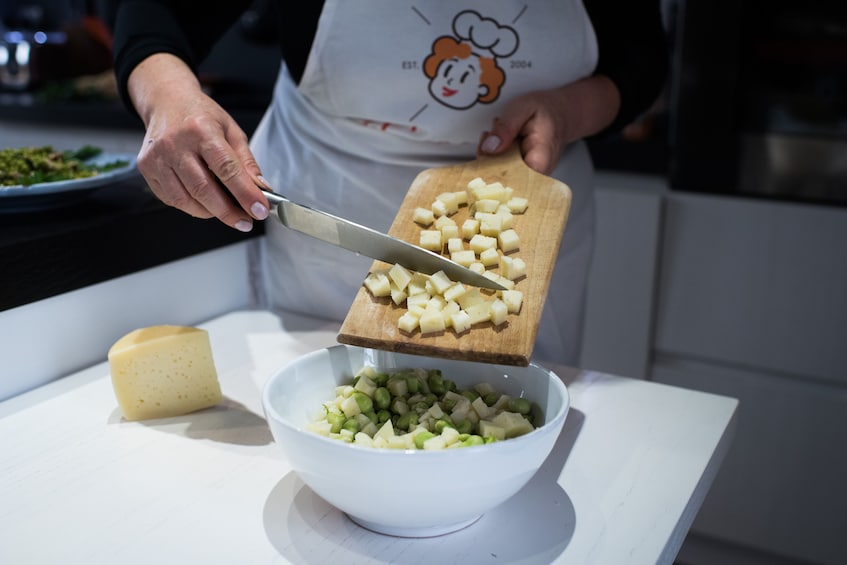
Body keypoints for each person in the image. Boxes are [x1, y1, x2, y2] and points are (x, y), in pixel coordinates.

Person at [112, 0, 668, 367]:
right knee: (326, 412)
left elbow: (640, 61)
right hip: (328, 198)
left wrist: (568, 110)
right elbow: (157, 12)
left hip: (521, 206)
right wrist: (169, 99)